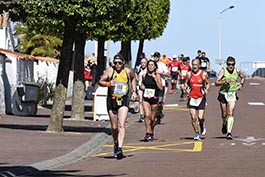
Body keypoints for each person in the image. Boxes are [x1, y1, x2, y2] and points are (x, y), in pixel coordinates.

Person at [99, 54, 137, 159]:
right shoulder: (110, 71)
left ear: (123, 63)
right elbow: (100, 81)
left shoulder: (128, 71)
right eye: (115, 63)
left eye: (119, 63)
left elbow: (133, 79)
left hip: (123, 99)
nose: (117, 65)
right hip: (112, 100)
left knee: (121, 125)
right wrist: (108, 83)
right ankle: (115, 144)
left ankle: (120, 148)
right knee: (114, 127)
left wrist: (134, 91)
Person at [214, 56, 245, 140]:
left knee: (230, 113)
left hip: (232, 93)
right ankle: (224, 123)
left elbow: (243, 77)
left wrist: (241, 85)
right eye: (229, 64)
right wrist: (224, 81)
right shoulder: (223, 71)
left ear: (234, 64)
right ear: (226, 64)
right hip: (223, 94)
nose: (230, 66)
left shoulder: (237, 71)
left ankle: (229, 132)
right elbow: (216, 82)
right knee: (224, 114)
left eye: (232, 64)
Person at [184, 58, 210, 140]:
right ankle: (197, 133)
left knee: (200, 117)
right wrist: (186, 88)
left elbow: (208, 83)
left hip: (201, 97)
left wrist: (206, 89)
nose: (194, 67)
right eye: (193, 65)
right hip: (192, 97)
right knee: (193, 117)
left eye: (196, 65)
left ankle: (202, 125)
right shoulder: (189, 74)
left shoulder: (203, 74)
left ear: (199, 65)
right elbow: (186, 83)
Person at [141, 60, 163, 141]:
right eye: (149, 65)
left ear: (155, 67)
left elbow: (160, 88)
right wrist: (141, 87)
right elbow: (142, 85)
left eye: (152, 65)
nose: (150, 67)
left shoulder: (157, 76)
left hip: (154, 98)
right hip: (146, 98)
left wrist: (155, 79)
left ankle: (151, 132)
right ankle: (148, 133)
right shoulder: (144, 75)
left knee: (153, 119)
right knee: (147, 115)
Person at [153, 52, 170, 124]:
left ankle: (159, 113)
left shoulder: (162, 65)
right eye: (155, 56)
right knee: (154, 102)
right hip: (153, 86)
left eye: (157, 57)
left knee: (159, 102)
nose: (156, 58)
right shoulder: (151, 64)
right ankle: (155, 116)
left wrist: (161, 73)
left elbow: (167, 74)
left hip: (161, 85)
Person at [136, 57, 148, 122]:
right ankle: (141, 115)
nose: (143, 64)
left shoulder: (148, 69)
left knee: (146, 101)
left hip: (147, 87)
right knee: (140, 101)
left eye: (144, 63)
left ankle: (147, 114)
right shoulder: (139, 68)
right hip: (140, 87)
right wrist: (137, 80)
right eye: (142, 62)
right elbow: (136, 75)